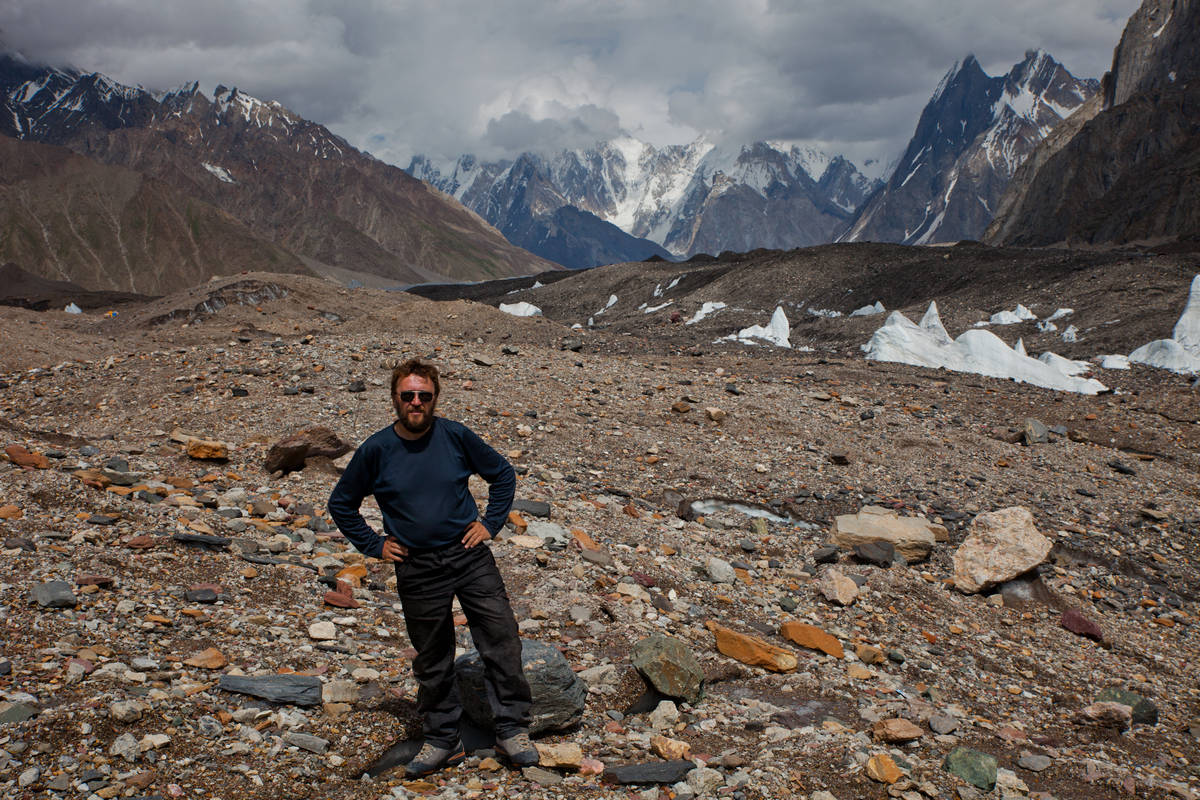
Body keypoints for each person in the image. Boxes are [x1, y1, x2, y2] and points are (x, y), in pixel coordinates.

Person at [327, 358, 536, 777]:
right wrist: (374, 544)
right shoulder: (376, 450)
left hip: (468, 555)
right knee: (432, 656)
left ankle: (511, 729)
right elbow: (341, 504)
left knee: (501, 637)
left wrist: (490, 524)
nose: (416, 402)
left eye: (424, 395)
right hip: (417, 566)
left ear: (436, 397)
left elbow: (502, 475)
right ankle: (443, 738)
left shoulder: (455, 435)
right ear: (395, 399)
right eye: (408, 395)